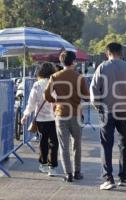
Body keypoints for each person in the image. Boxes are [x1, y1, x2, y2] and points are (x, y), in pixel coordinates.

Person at [90, 42, 126, 190]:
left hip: (107, 111)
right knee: (125, 145)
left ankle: (108, 179)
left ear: (107, 53)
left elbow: (94, 90)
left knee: (106, 145)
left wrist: (98, 106)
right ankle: (123, 177)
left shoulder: (102, 67)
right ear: (121, 53)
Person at [44, 51, 90, 182]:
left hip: (60, 114)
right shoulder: (79, 77)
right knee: (77, 144)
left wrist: (56, 101)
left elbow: (46, 95)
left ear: (61, 62)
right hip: (76, 114)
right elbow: (87, 97)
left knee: (64, 146)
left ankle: (68, 174)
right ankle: (77, 172)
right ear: (74, 62)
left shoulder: (54, 76)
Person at [21, 62, 58, 176]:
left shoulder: (37, 85)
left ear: (40, 72)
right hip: (55, 118)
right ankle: (53, 167)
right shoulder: (56, 84)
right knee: (54, 143)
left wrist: (25, 115)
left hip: (41, 119)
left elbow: (31, 103)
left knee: (43, 142)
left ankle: (44, 164)